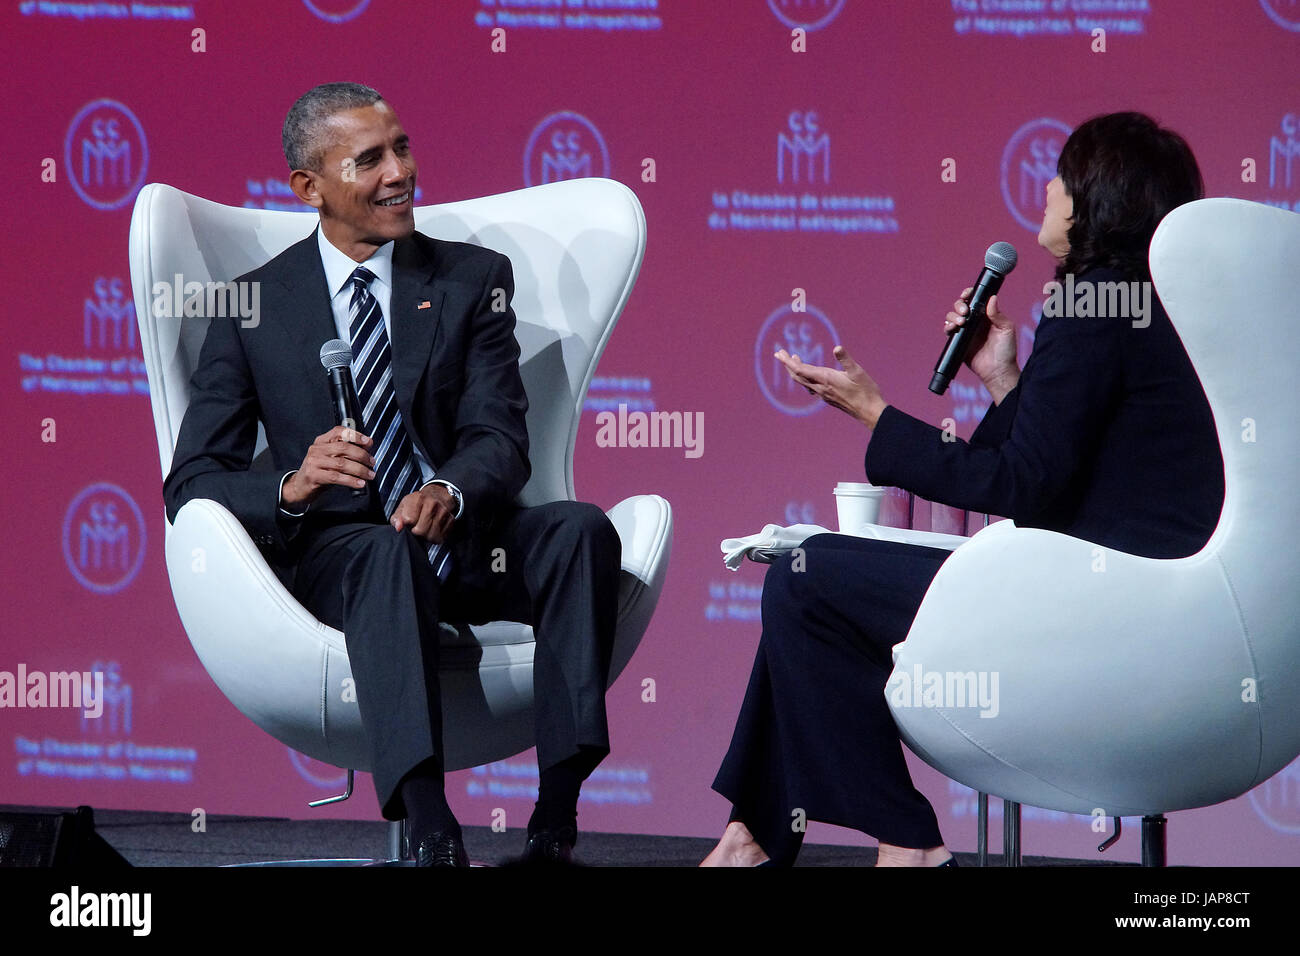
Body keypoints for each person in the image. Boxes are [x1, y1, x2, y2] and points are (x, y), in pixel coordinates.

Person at [701, 112, 1225, 867]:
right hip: (1149, 607)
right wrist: (1004, 378)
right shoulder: (1143, 305)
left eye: (1061, 176)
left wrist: (876, 414)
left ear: (1094, 200)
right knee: (811, 576)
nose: (1046, 190)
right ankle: (749, 836)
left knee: (804, 578)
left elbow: (1017, 484)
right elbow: (1059, 474)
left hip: (1094, 613)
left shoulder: (1089, 304)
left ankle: (907, 842)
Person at [163, 82, 622, 866]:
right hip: (347, 559)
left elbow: (500, 435)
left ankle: (557, 807)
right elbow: (192, 481)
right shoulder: (252, 305)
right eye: (369, 159)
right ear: (310, 187)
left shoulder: (470, 279)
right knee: (383, 553)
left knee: (579, 529)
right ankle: (428, 817)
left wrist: (448, 489)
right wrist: (291, 485)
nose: (399, 173)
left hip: (467, 541)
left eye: (402, 148)